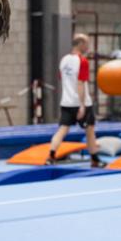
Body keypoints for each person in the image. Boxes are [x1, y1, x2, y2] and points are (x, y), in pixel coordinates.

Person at [46, 34, 104, 168]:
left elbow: (63, 79)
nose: (88, 46)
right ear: (81, 44)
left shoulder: (64, 60)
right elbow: (79, 83)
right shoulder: (82, 61)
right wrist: (82, 105)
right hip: (81, 102)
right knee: (90, 130)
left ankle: (51, 155)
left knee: (62, 130)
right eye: (87, 43)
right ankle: (95, 159)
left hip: (66, 102)